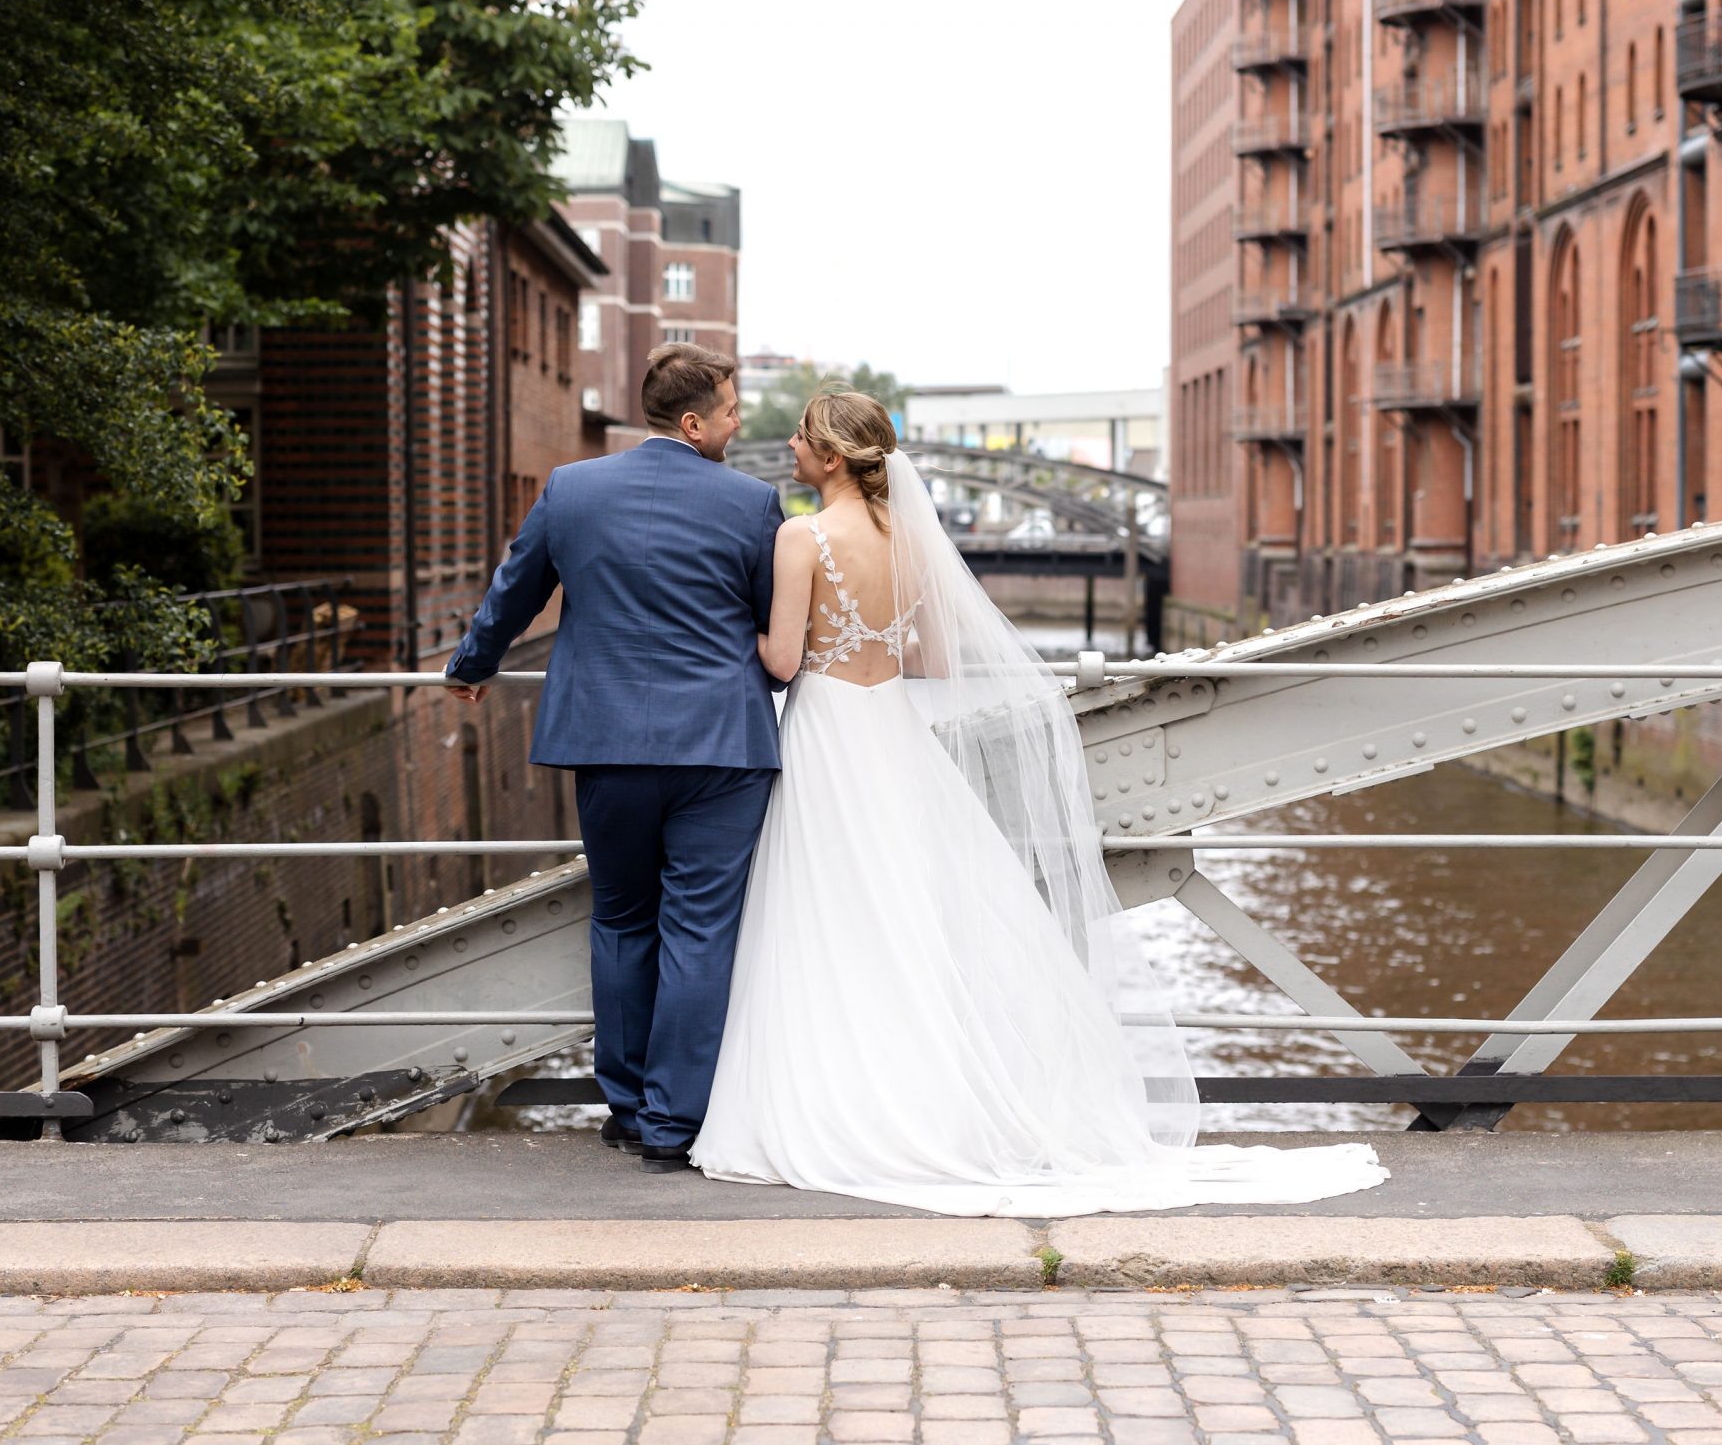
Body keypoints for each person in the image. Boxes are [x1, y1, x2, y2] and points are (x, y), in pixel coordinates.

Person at [691, 389, 1388, 1216]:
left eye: (803, 439)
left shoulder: (800, 536)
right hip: (892, 737)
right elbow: (937, 657)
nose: (793, 449)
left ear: (833, 459)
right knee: (911, 914)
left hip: (826, 735)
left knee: (829, 912)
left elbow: (776, 659)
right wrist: (870, 648)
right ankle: (936, 1100)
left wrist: (761, 638)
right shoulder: (911, 537)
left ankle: (845, 1097)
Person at [443, 342, 783, 1173]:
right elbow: (778, 630)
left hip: (608, 742)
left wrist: (472, 665)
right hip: (721, 747)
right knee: (700, 929)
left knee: (622, 919)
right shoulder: (753, 504)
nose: (741, 424)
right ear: (695, 420)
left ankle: (627, 1108)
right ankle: (675, 1123)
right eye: (733, 411)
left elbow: (513, 590)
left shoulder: (572, 488)